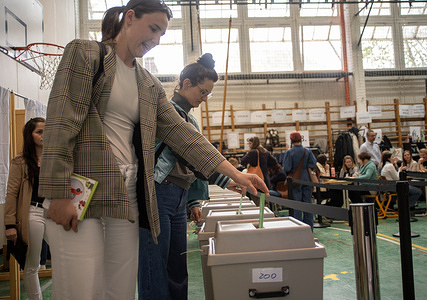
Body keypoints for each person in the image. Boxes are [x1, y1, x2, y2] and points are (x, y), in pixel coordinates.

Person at [38, 1, 269, 299]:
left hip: (130, 194)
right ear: (130, 18)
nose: (157, 40)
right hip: (81, 189)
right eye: (154, 29)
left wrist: (235, 174)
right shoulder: (86, 53)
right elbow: (61, 121)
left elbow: (183, 134)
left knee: (120, 290)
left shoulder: (147, 83)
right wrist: (57, 192)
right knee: (80, 289)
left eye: (162, 34)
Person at [138, 53, 237, 299]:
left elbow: (189, 167)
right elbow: (189, 155)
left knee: (178, 264)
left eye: (208, 94)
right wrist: (227, 179)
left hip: (178, 196)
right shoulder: (167, 111)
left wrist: (193, 201)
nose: (204, 99)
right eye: (202, 92)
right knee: (155, 266)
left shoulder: (189, 118)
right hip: (158, 193)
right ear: (185, 84)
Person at [5, 117, 47, 300]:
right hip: (33, 213)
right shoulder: (20, 162)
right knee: (32, 265)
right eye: (39, 132)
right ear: (30, 135)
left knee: (64, 258)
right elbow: (11, 194)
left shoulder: (54, 158)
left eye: (46, 131)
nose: (43, 135)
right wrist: (9, 225)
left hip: (54, 212)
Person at [282, 132, 317, 229]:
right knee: (308, 203)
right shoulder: (307, 151)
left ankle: (299, 228)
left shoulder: (289, 152)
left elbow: (287, 168)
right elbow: (313, 164)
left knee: (296, 204)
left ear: (291, 140)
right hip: (306, 178)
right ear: (301, 139)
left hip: (294, 180)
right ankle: (309, 228)